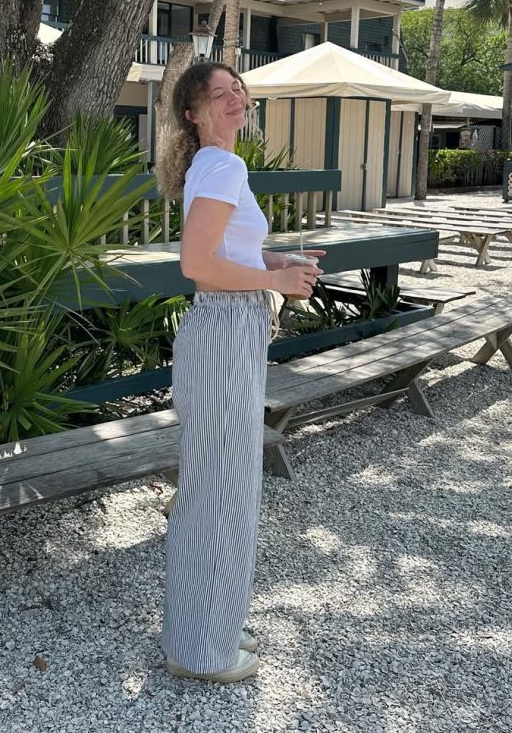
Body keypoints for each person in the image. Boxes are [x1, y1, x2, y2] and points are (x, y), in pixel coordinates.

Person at [154, 60, 324, 684]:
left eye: (239, 89)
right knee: (223, 492)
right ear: (193, 114)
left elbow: (227, 250)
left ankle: (204, 626)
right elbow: (197, 264)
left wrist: (274, 261)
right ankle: (204, 650)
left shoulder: (214, 165)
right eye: (219, 94)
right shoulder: (223, 167)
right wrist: (276, 282)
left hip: (224, 333)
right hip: (225, 333)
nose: (236, 99)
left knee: (212, 488)